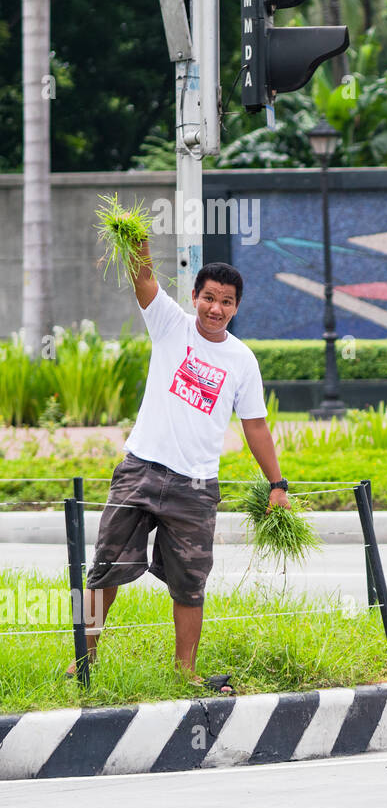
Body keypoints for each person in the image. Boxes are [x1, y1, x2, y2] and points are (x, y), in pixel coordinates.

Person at [74, 239, 291, 690]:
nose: (216, 308)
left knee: (191, 583)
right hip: (140, 470)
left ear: (236, 307)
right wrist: (137, 246)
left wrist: (278, 483)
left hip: (195, 487)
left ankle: (186, 672)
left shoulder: (242, 361)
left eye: (226, 302)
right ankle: (84, 659)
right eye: (209, 297)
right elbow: (145, 280)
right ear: (195, 297)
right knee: (104, 568)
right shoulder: (172, 325)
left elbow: (255, 427)